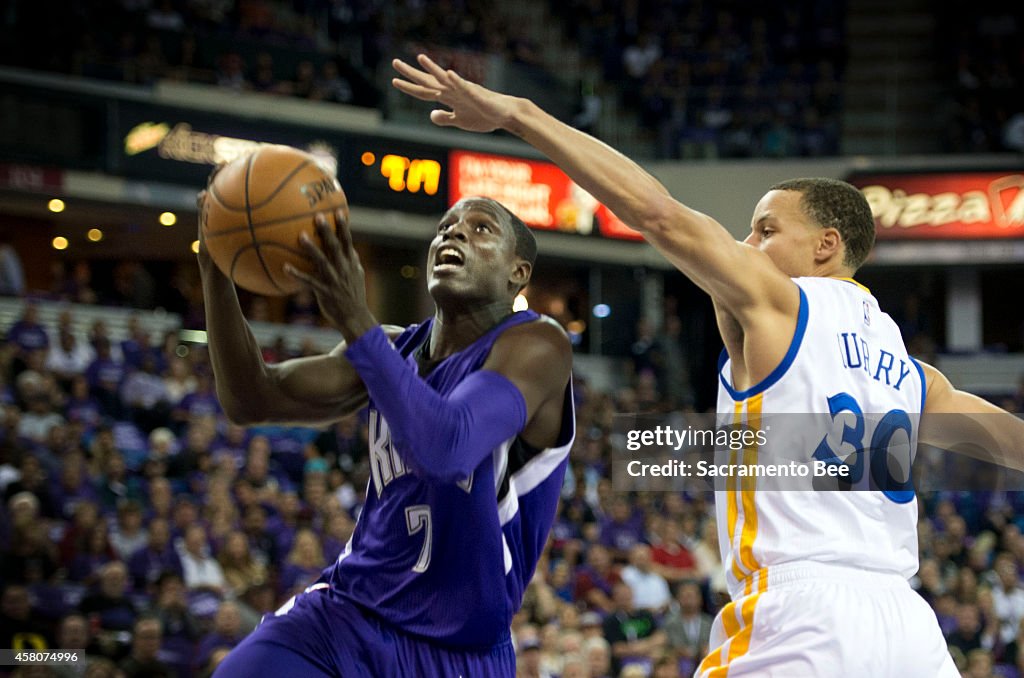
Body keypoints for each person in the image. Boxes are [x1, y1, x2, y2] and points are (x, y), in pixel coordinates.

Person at [392, 52, 1024, 676]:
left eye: (765, 230)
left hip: (804, 617)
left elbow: (657, 213)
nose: (746, 245)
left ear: (826, 245)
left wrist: (519, 114)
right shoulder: (911, 371)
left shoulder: (779, 301)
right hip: (907, 629)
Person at [198, 179, 574, 673]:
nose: (453, 235)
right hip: (348, 612)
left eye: (480, 228)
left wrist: (356, 319)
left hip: (457, 650)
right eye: (445, 228)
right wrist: (216, 269)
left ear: (516, 274)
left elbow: (446, 448)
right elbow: (250, 398)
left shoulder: (539, 346)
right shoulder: (392, 349)